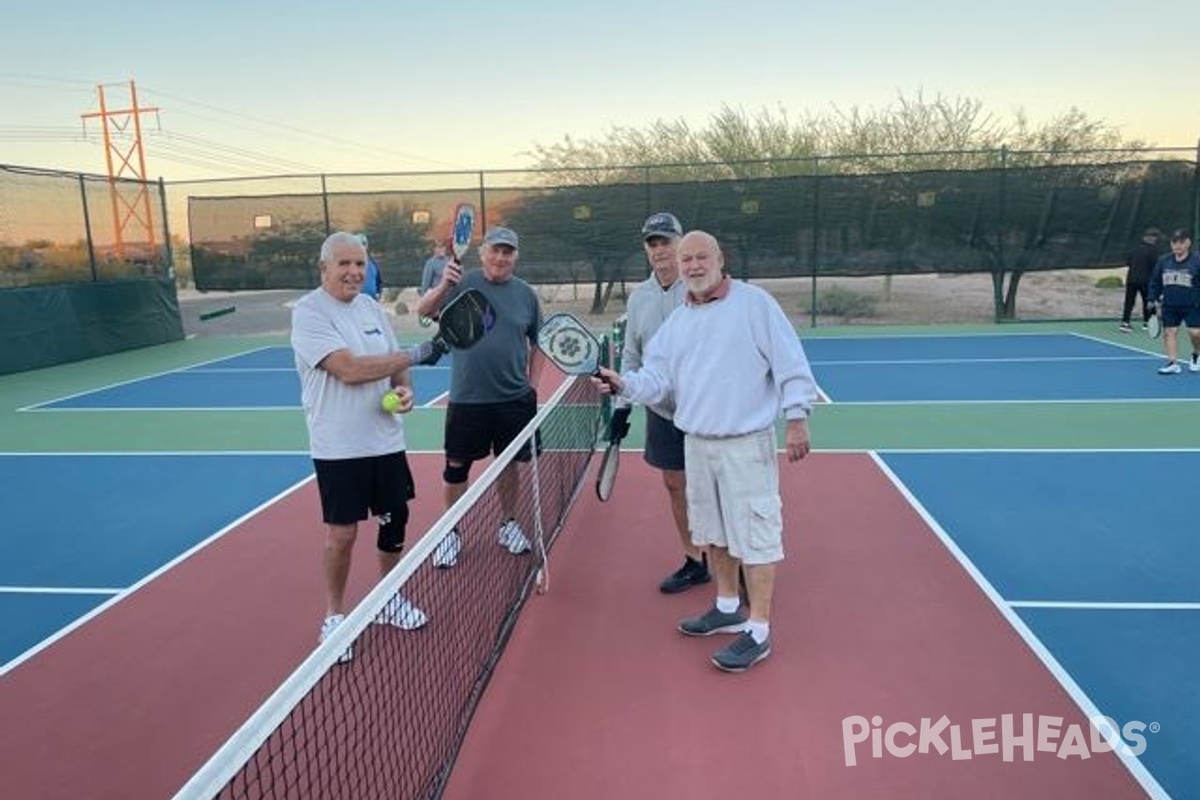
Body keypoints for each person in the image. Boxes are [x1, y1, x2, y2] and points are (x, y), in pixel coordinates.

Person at [594, 230, 818, 673]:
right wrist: (625, 383)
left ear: (720, 260)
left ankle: (758, 630)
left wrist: (797, 417)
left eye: (701, 257)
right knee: (712, 532)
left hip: (745, 445)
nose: (693, 266)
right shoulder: (679, 322)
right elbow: (656, 378)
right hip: (696, 444)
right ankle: (727, 604)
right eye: (686, 260)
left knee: (755, 535)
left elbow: (790, 361)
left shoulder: (755, 305)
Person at [292, 231, 445, 659]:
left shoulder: (370, 307)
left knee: (395, 523)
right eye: (344, 264)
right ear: (324, 268)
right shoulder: (309, 313)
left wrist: (405, 388)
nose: (354, 272)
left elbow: (394, 364)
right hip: (339, 447)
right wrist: (418, 355)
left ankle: (387, 598)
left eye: (360, 264)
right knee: (342, 535)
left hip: (386, 440)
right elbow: (349, 369)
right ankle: (334, 616)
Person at [415, 226, 546, 567]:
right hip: (467, 397)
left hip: (514, 399)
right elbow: (422, 309)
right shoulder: (462, 282)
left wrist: (532, 386)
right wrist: (444, 283)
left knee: (509, 466)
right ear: (483, 253)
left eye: (508, 252)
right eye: (495, 251)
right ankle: (451, 532)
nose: (501, 257)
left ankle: (508, 524)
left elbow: (538, 344)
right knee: (456, 468)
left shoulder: (526, 295)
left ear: (515, 256)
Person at [611, 211, 710, 593]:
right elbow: (632, 357)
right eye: (653, 243)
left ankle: (732, 561)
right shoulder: (639, 298)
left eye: (666, 241)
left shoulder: (702, 288)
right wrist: (622, 406)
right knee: (674, 483)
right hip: (661, 409)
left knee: (714, 487)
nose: (660, 250)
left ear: (681, 244)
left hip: (704, 410)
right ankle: (694, 559)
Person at [1147, 228, 1200, 374]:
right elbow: (1155, 281)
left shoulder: (1197, 261)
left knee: (1196, 334)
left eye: (1181, 242)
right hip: (1170, 305)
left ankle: (1196, 354)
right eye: (1174, 242)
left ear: (1188, 243)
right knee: (1169, 332)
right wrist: (1152, 298)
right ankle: (1172, 363)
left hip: (1193, 305)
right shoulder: (1164, 260)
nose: (1177, 245)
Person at [1119, 228, 1160, 332]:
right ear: (1146, 238)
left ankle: (1125, 322)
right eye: (1152, 236)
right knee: (1148, 301)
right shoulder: (1153, 250)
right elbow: (1155, 267)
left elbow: (1128, 263)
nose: (1153, 239)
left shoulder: (1135, 249)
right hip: (1145, 281)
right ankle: (1148, 323)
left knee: (1129, 301)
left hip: (1131, 280)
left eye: (1154, 236)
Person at [358, 233, 383, 301]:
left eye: (364, 243)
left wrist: (378, 293)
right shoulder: (350, 264)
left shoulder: (373, 263)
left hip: (372, 301)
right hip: (356, 302)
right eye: (358, 244)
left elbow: (379, 281)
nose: (361, 246)